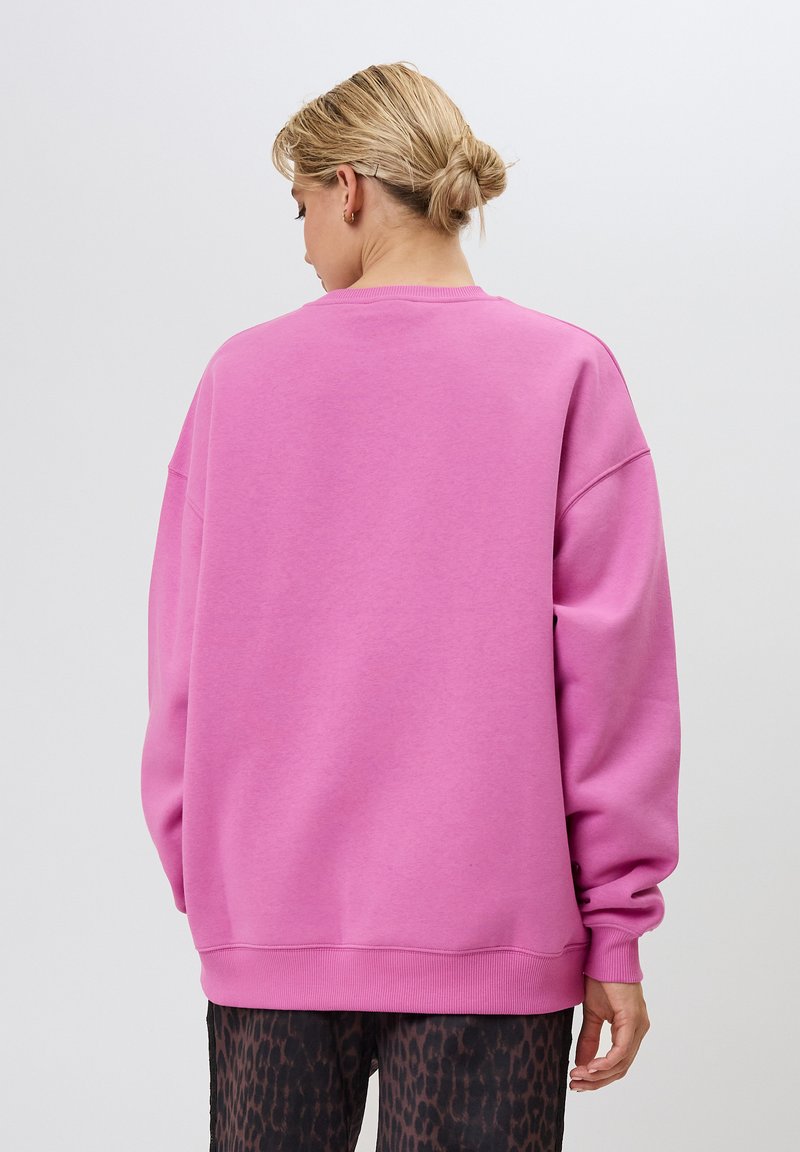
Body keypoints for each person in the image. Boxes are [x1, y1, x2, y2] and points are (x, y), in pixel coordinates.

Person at [140, 61, 681, 1152]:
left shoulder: (240, 379)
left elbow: (178, 668)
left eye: (299, 207)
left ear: (347, 189)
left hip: (272, 920)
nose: (301, 244)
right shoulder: (566, 373)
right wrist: (613, 928)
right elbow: (613, 682)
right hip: (496, 933)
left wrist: (217, 884)